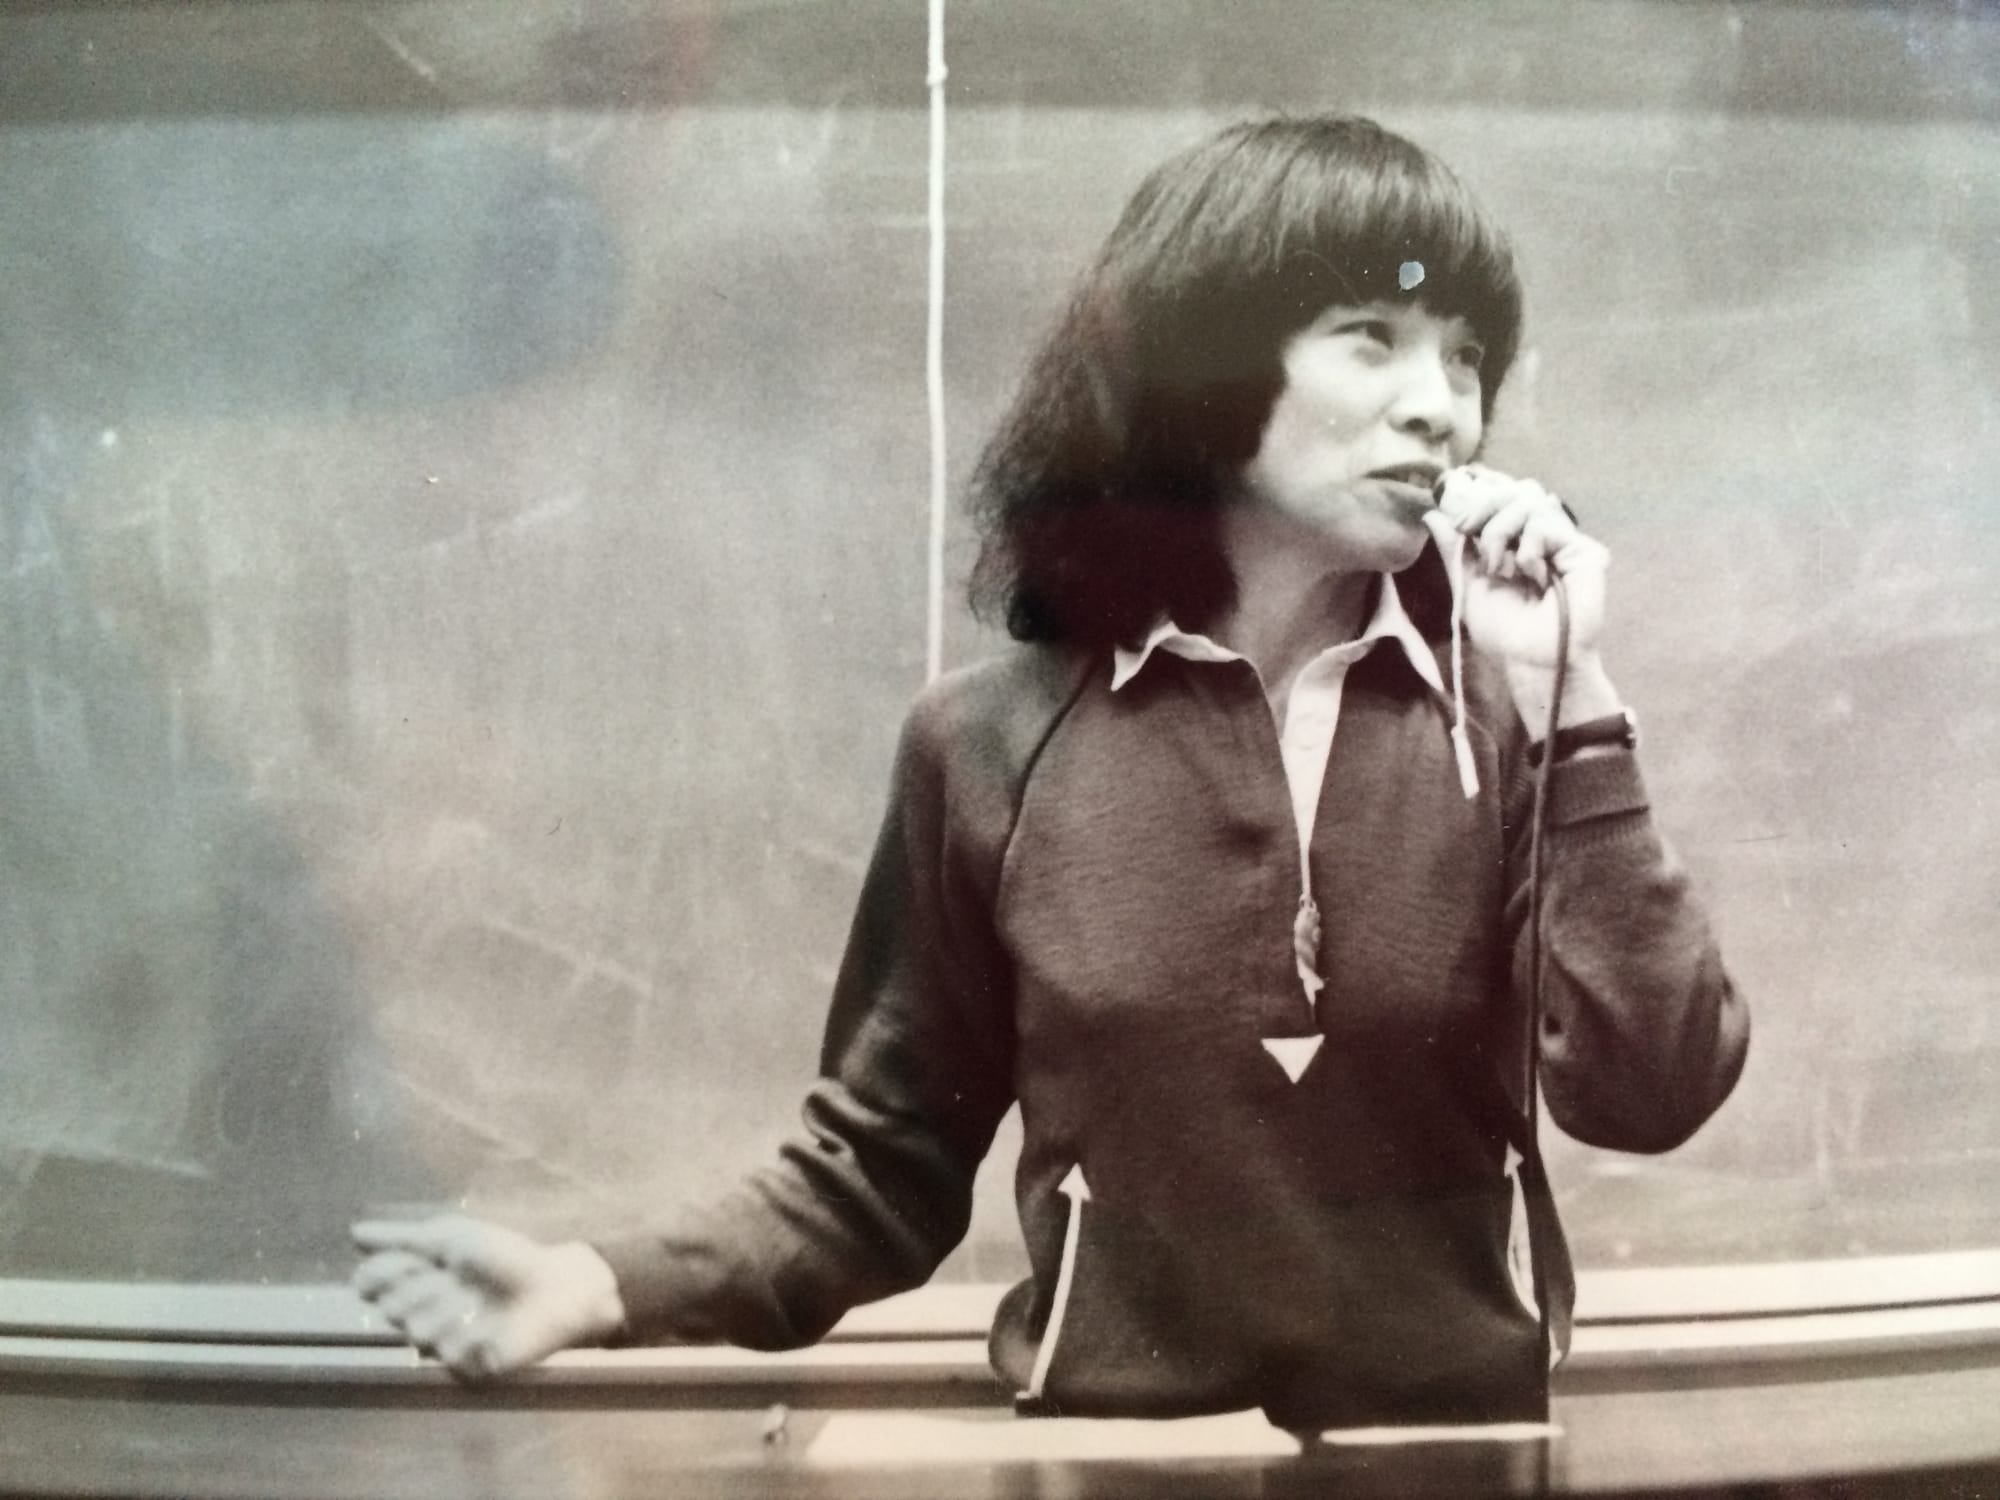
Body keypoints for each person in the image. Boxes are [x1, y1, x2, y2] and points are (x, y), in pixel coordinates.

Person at [352, 113, 1748, 1430]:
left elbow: (1653, 1091)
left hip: (1453, 1470)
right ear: (1208, 371)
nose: (1439, 407)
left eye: (1463, 357)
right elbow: (878, 1176)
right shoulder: (987, 745)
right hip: (1108, 1467)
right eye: (1371, 339)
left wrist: (1574, 695)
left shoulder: (1503, 725)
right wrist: (594, 1285)